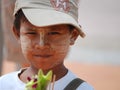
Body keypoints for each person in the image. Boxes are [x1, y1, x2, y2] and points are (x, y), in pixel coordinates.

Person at [0, 0, 94, 90]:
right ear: (17, 33)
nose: (41, 45)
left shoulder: (81, 88)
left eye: (54, 33)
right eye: (31, 33)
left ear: (73, 35)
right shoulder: (4, 85)